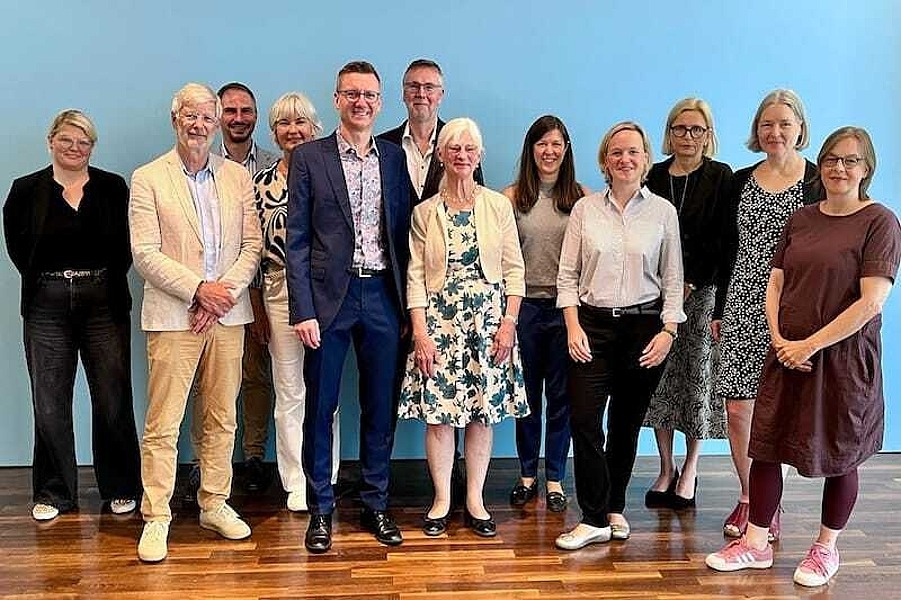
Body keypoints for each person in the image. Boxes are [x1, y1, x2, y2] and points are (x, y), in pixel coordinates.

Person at [706, 127, 900, 587]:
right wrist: (779, 339)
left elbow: (871, 301)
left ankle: (825, 548)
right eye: (831, 159)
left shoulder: (880, 222)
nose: (838, 168)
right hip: (787, 353)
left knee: (841, 452)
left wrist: (809, 344)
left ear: (866, 169)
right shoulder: (802, 218)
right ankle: (755, 543)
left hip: (843, 361)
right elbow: (775, 283)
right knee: (766, 446)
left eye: (850, 160)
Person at [129, 83, 262, 562]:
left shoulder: (237, 178)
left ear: (216, 123)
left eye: (207, 116)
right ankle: (157, 515)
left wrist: (219, 295)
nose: (199, 124)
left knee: (222, 416)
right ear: (175, 119)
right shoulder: (148, 178)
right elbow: (145, 253)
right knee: (164, 421)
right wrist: (197, 290)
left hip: (227, 314)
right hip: (173, 316)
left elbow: (252, 246)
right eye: (191, 115)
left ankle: (214, 502)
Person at [286, 61, 410, 553]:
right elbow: (297, 239)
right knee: (321, 406)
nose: (361, 102)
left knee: (380, 405)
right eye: (352, 94)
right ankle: (320, 508)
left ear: (380, 103)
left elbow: (405, 234)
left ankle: (376, 503)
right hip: (327, 301)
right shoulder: (310, 158)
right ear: (337, 99)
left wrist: (410, 309)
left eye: (370, 95)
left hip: (383, 296)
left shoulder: (394, 158)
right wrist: (303, 309)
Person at [3, 109, 141, 521]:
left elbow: (126, 247)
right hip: (45, 304)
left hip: (104, 301)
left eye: (84, 142)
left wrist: (93, 281)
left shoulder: (113, 187)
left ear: (92, 147)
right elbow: (18, 248)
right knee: (49, 401)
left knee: (113, 398)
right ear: (51, 141)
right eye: (66, 139)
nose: (75, 148)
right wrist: (55, 283)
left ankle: (120, 486)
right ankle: (55, 491)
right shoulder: (25, 190)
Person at [555, 121, 685, 550]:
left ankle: (613, 508)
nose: (624, 159)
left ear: (645, 159)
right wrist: (573, 325)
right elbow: (567, 276)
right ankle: (592, 517)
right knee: (584, 420)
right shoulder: (585, 210)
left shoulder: (663, 212)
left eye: (633, 152)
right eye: (616, 153)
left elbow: (673, 278)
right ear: (605, 161)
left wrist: (668, 331)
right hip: (591, 326)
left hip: (644, 329)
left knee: (626, 425)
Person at [398, 117, 528, 538]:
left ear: (480, 156)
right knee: (439, 417)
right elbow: (415, 276)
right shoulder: (425, 213)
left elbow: (514, 269)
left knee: (481, 414)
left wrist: (508, 323)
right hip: (439, 324)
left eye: (470, 149)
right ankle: (441, 499)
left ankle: (475, 498)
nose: (462, 155)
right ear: (441, 154)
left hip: (489, 324)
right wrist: (420, 332)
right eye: (454, 148)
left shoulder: (498, 206)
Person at [713, 89, 821, 541]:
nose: (775, 132)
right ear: (757, 131)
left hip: (794, 306)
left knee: (780, 408)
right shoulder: (739, 180)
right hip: (741, 302)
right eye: (767, 124)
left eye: (784, 123)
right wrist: (719, 308)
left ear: (800, 128)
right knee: (738, 407)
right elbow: (726, 248)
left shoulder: (817, 180)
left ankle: (770, 503)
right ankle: (749, 497)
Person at [378, 58, 485, 506]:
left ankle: (460, 483)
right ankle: (378, 485)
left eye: (430, 87)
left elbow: (478, 225)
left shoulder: (461, 141)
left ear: (441, 94)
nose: (421, 94)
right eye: (413, 86)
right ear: (403, 93)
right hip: (389, 286)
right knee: (386, 389)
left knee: (459, 394)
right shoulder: (382, 146)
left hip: (445, 295)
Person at [643, 98, 732, 510]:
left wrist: (690, 284)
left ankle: (691, 467)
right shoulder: (653, 175)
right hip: (655, 295)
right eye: (680, 128)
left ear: (708, 135)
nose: (688, 136)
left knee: (695, 379)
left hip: (701, 294)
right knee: (659, 382)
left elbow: (723, 240)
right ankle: (666, 467)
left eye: (697, 129)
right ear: (669, 133)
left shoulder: (720, 176)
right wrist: (666, 288)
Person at [253, 92, 340, 512]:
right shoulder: (259, 183)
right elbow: (251, 250)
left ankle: (326, 474)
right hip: (277, 291)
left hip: (325, 294)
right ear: (274, 133)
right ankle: (296, 481)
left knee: (325, 390)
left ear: (314, 128)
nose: (293, 130)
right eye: (284, 124)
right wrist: (255, 306)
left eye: (300, 122)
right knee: (289, 389)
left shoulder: (331, 174)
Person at [502, 115, 588, 513]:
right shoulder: (510, 198)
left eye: (556, 144)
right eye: (542, 144)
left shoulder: (583, 199)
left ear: (566, 150)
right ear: (531, 149)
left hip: (566, 311)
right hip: (523, 310)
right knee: (526, 397)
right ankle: (526, 475)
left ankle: (554, 477)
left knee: (561, 398)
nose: (549, 151)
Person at [217, 82, 279, 492]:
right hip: (218, 291)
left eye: (246, 111)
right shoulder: (203, 163)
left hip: (266, 288)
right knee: (214, 380)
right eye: (230, 111)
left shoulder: (275, 164)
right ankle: (210, 462)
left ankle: (254, 456)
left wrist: (257, 298)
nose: (239, 119)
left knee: (258, 376)